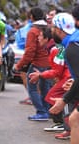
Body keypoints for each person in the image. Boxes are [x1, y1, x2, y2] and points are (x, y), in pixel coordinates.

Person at [28, 27, 72, 139]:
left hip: (69, 78)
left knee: (54, 97)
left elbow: (57, 70)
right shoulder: (55, 47)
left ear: (47, 38)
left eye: (40, 36)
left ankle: (66, 126)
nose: (38, 38)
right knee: (55, 96)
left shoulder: (56, 49)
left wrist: (41, 75)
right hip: (68, 77)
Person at [14, 7, 51, 121]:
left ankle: (41, 112)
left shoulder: (33, 31)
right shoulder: (48, 28)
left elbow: (30, 52)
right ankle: (47, 110)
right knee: (45, 88)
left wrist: (19, 65)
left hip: (37, 64)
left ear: (32, 17)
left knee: (32, 88)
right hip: (49, 63)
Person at [49, 11, 79, 144]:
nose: (51, 31)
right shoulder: (75, 40)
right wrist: (74, 82)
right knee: (74, 119)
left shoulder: (72, 48)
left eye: (52, 28)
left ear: (59, 30)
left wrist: (64, 100)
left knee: (75, 120)